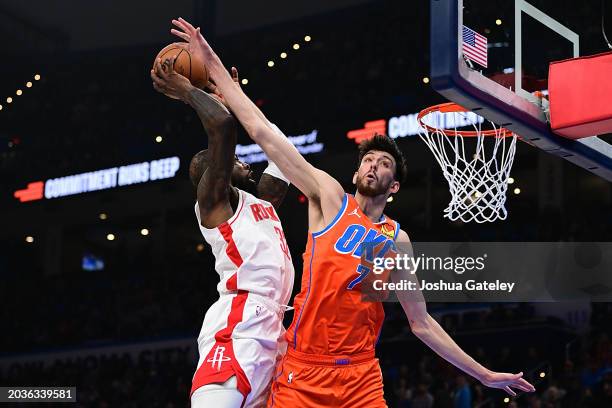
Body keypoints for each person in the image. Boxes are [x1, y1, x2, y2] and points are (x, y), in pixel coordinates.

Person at [169, 17, 536, 407]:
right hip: (303, 370)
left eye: (383, 163)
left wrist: (484, 374)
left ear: (393, 186)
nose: (373, 166)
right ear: (356, 171)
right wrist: (213, 65)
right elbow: (263, 132)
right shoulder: (328, 198)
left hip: (360, 376)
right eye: (368, 160)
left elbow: (422, 323)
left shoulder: (396, 240)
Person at [151, 56, 294, 407]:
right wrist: (189, 92)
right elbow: (222, 128)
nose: (242, 160)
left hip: (275, 326)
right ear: (215, 173)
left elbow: (285, 154)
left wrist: (238, 99)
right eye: (230, 160)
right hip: (238, 322)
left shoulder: (262, 201)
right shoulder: (214, 204)